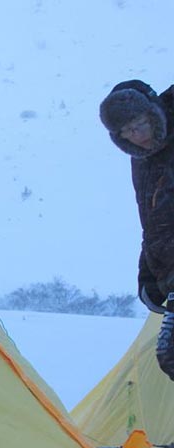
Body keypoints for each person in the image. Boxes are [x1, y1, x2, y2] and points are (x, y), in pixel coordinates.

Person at [99, 80, 174, 379]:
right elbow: (154, 223)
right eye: (126, 132)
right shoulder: (142, 161)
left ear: (154, 112)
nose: (136, 136)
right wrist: (148, 272)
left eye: (139, 124)